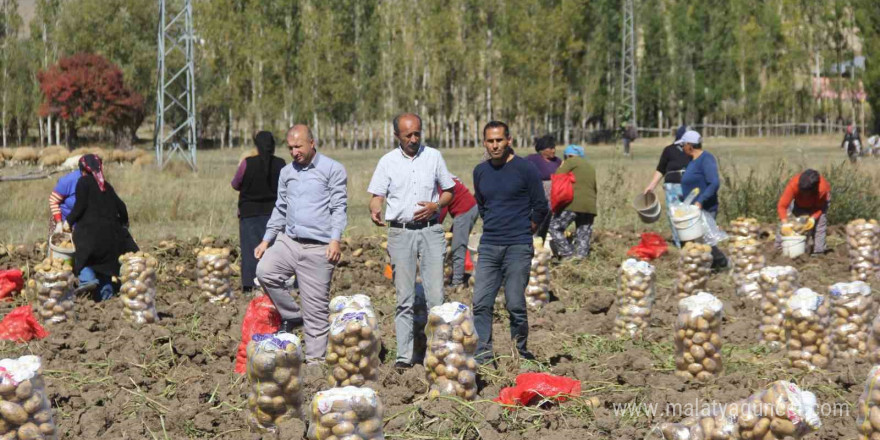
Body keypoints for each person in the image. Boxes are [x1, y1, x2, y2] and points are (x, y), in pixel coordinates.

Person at [367, 113, 455, 370]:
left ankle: (439, 352)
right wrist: (375, 208)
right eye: (408, 135)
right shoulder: (387, 162)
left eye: (417, 133)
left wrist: (436, 204)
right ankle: (404, 356)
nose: (414, 139)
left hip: (431, 232)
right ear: (397, 136)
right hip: (401, 234)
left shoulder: (434, 156)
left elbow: (449, 191)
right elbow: (377, 195)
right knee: (403, 299)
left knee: (436, 298)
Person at [254, 125, 347, 363]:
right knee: (265, 271)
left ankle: (315, 364)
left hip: (319, 247)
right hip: (289, 241)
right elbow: (280, 208)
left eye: (299, 147)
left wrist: (335, 240)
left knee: (316, 313)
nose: (295, 152)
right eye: (291, 148)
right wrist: (267, 240)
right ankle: (293, 315)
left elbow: (338, 208)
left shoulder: (333, 170)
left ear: (312, 143)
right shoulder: (287, 173)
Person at [472, 120, 548, 365]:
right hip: (489, 245)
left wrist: (526, 230)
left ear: (509, 141)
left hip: (517, 246)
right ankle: (484, 356)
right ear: (484, 142)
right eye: (490, 141)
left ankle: (520, 353)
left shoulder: (525, 169)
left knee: (515, 303)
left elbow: (541, 206)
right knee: (481, 303)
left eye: (499, 140)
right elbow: (483, 206)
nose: (495, 146)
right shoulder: (480, 171)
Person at [67, 154, 138, 301]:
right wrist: (124, 224)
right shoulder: (105, 185)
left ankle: (88, 280)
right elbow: (122, 206)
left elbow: (79, 208)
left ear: (82, 170)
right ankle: (106, 295)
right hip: (112, 238)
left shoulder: (83, 182)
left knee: (83, 257)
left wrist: (67, 222)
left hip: (90, 236)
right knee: (105, 265)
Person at [231, 131, 286, 292]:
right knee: (274, 250)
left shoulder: (247, 163)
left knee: (250, 251)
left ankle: (249, 285)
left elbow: (235, 184)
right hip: (274, 214)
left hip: (249, 214)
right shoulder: (281, 164)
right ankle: (275, 283)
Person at [678, 130, 728, 270]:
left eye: (683, 145)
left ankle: (722, 262)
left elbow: (714, 183)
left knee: (705, 241)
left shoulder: (706, 159)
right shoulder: (691, 161)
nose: (682, 148)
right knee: (697, 241)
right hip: (692, 209)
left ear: (690, 145)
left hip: (704, 208)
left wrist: (701, 200)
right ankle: (705, 268)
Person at [643, 125, 692, 248]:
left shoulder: (693, 151)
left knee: (690, 214)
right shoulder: (669, 150)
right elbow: (661, 169)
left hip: (690, 187)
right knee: (674, 215)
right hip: (672, 187)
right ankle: (679, 243)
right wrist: (651, 186)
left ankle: (690, 241)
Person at [548, 145, 597, 259]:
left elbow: (558, 176)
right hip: (590, 206)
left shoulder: (570, 162)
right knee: (583, 234)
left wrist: (562, 165)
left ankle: (568, 254)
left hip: (573, 204)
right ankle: (581, 260)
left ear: (569, 155)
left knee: (554, 227)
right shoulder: (590, 166)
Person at [775, 169, 830, 255]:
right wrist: (785, 223)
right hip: (798, 203)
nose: (805, 194)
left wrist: (813, 218)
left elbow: (820, 208)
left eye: (806, 193)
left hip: (817, 204)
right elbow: (782, 206)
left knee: (819, 224)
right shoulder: (793, 184)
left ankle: (818, 252)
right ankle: (779, 249)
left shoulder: (822, 189)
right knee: (792, 223)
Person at [436, 176, 479, 288]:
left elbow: (442, 208)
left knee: (457, 246)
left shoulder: (439, 182)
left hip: (465, 210)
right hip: (468, 208)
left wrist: (435, 226)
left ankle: (457, 282)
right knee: (453, 243)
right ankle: (451, 274)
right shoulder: (440, 178)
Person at [524, 135, 560, 241]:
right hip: (537, 197)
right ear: (542, 150)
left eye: (554, 147)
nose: (553, 150)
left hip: (554, 198)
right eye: (550, 148)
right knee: (536, 221)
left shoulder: (557, 161)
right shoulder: (532, 159)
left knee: (548, 223)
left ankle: (541, 245)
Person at [49, 168, 81, 234]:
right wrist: (59, 223)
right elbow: (53, 200)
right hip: (64, 221)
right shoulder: (68, 181)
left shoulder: (99, 181)